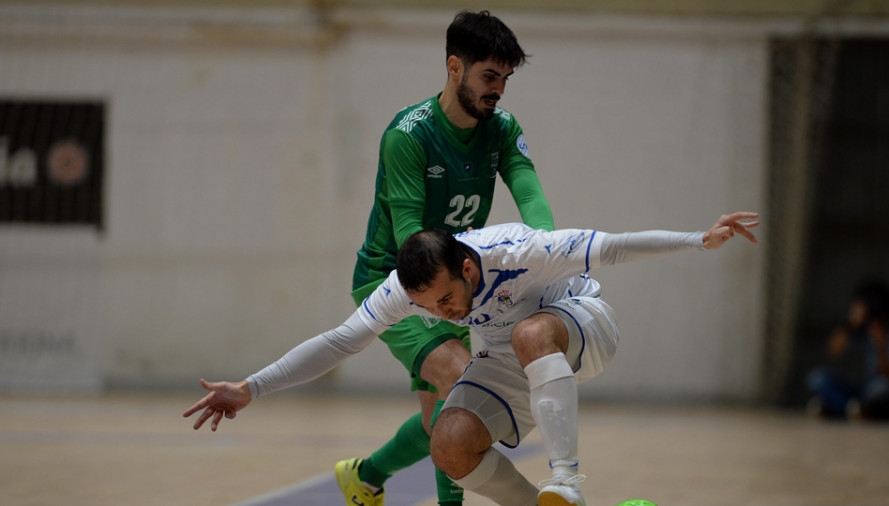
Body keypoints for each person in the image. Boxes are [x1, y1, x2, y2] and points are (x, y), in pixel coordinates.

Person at [183, 211, 759, 506]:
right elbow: (339, 341)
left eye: (448, 299)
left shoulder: (518, 250)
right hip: (509, 353)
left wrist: (697, 240)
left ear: (465, 266)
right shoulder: (407, 291)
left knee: (532, 331)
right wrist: (250, 388)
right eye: (429, 307)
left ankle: (567, 479)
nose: (446, 313)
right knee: (449, 440)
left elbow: (612, 246)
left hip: (582, 326)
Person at [342, 9, 554, 506]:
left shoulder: (500, 127)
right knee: (462, 381)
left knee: (435, 417)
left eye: (505, 78)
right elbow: (412, 239)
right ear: (455, 67)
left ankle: (365, 476)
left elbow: (529, 190)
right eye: (488, 75)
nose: (498, 88)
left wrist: (549, 247)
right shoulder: (408, 135)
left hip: (452, 283)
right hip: (397, 279)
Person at [806, 279, 889, 420]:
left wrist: (881, 346)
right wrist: (850, 325)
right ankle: (857, 409)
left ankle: (840, 408)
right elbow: (833, 350)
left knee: (880, 388)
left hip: (888, 388)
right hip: (864, 388)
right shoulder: (866, 326)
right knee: (818, 378)